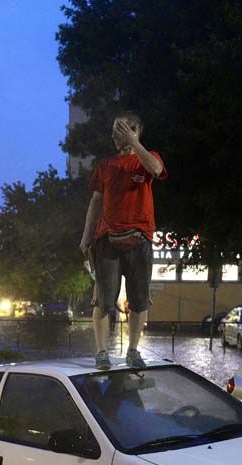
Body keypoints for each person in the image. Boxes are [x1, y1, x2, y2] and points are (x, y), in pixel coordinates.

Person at [80, 111, 167, 370]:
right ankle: (101, 352)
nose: (115, 136)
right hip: (107, 239)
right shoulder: (105, 165)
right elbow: (95, 202)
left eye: (122, 130)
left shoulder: (147, 159)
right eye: (114, 131)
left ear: (134, 131)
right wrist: (86, 236)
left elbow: (156, 169)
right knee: (104, 300)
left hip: (140, 238)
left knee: (139, 300)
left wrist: (135, 142)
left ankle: (133, 350)